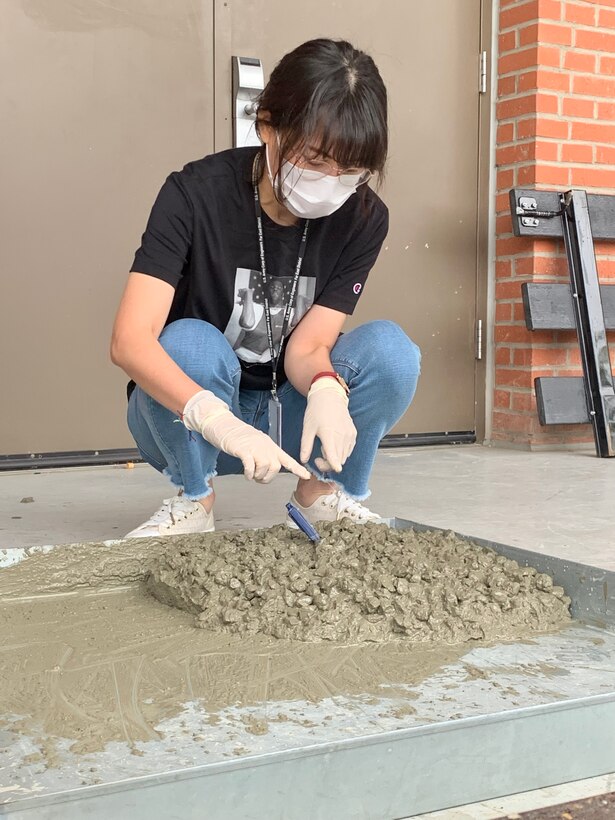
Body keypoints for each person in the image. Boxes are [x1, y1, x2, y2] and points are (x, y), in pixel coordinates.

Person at [110, 38, 421, 539]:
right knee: (188, 342)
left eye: (351, 172)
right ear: (267, 126)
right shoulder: (194, 194)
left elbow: (312, 345)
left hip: (289, 420)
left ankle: (321, 495)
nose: (332, 184)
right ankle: (196, 499)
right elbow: (129, 340)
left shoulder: (363, 217)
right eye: (317, 160)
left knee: (392, 352)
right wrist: (214, 418)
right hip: (195, 417)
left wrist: (325, 387)